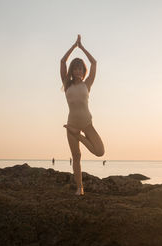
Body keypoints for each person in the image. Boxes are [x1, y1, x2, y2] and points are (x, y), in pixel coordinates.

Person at [60, 35, 105, 195]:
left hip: (87, 124)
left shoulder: (88, 84)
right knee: (76, 157)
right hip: (71, 124)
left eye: (80, 68)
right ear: (72, 71)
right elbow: (62, 62)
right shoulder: (67, 85)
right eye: (75, 68)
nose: (78, 71)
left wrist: (82, 47)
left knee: (100, 151)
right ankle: (80, 188)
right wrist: (73, 46)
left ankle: (77, 136)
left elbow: (94, 63)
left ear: (83, 70)